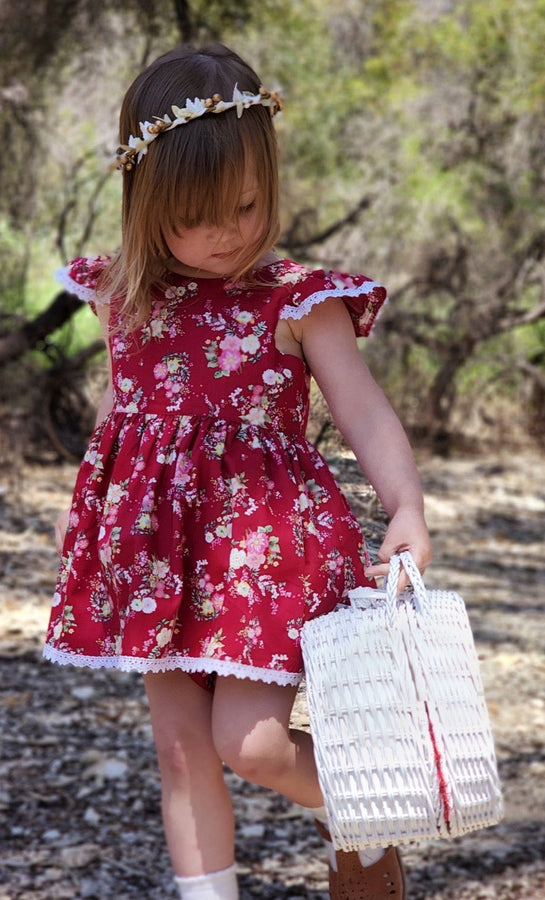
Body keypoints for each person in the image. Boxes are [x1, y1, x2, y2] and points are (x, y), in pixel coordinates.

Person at [44, 43, 432, 900]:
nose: (229, 232)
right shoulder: (125, 297)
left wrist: (405, 504)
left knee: (249, 744)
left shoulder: (296, 298)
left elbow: (364, 411)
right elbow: (125, 413)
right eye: (198, 215)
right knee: (180, 748)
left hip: (267, 546)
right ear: (146, 203)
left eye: (248, 204)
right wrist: (91, 512)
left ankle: (365, 809)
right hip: (156, 552)